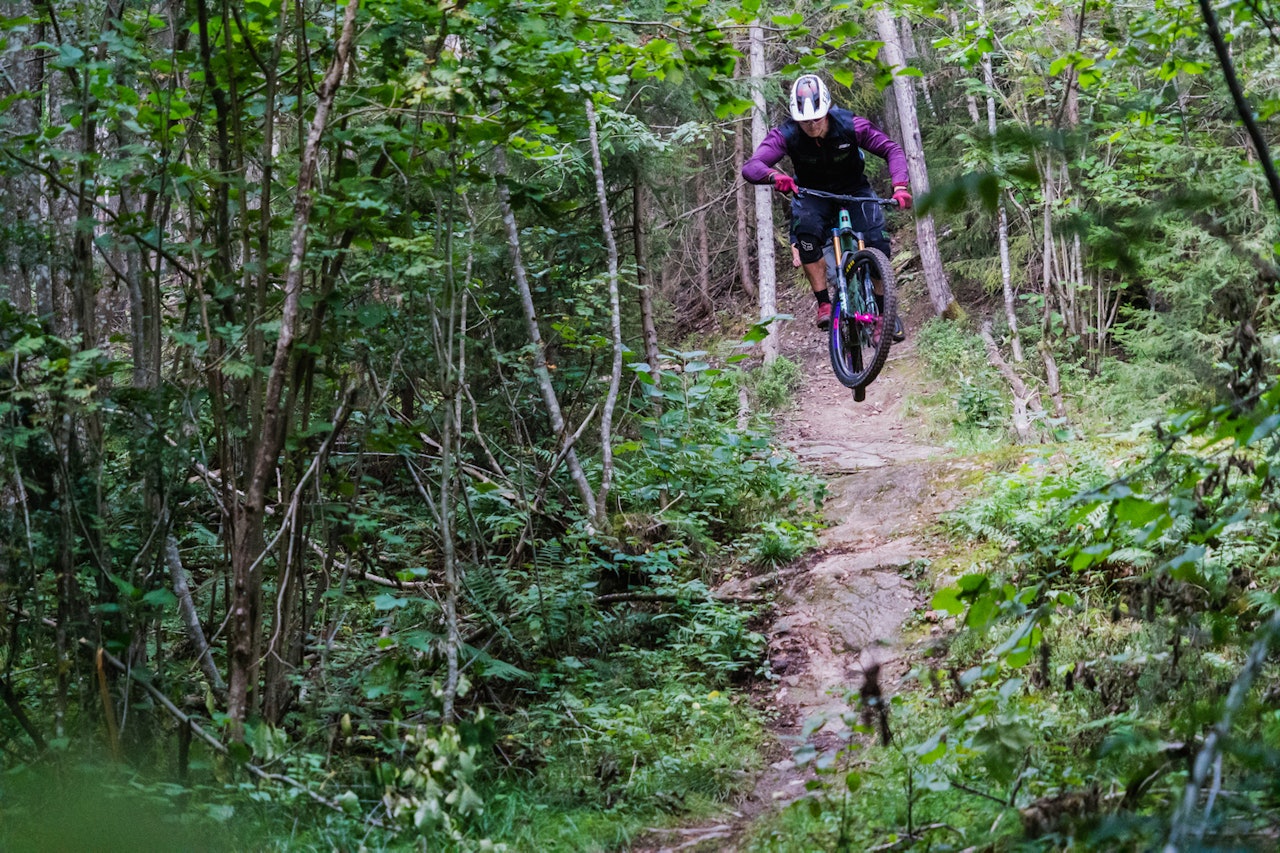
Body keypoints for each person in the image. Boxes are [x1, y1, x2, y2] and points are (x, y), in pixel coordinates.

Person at [743, 74, 912, 333]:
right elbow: (752, 167)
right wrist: (774, 176)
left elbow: (892, 149)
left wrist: (899, 185)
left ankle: (882, 313)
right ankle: (823, 303)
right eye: (804, 121)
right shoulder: (786, 134)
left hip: (855, 190)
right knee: (807, 234)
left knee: (877, 241)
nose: (811, 126)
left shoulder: (850, 125)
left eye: (816, 119)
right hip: (813, 194)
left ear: (827, 111)